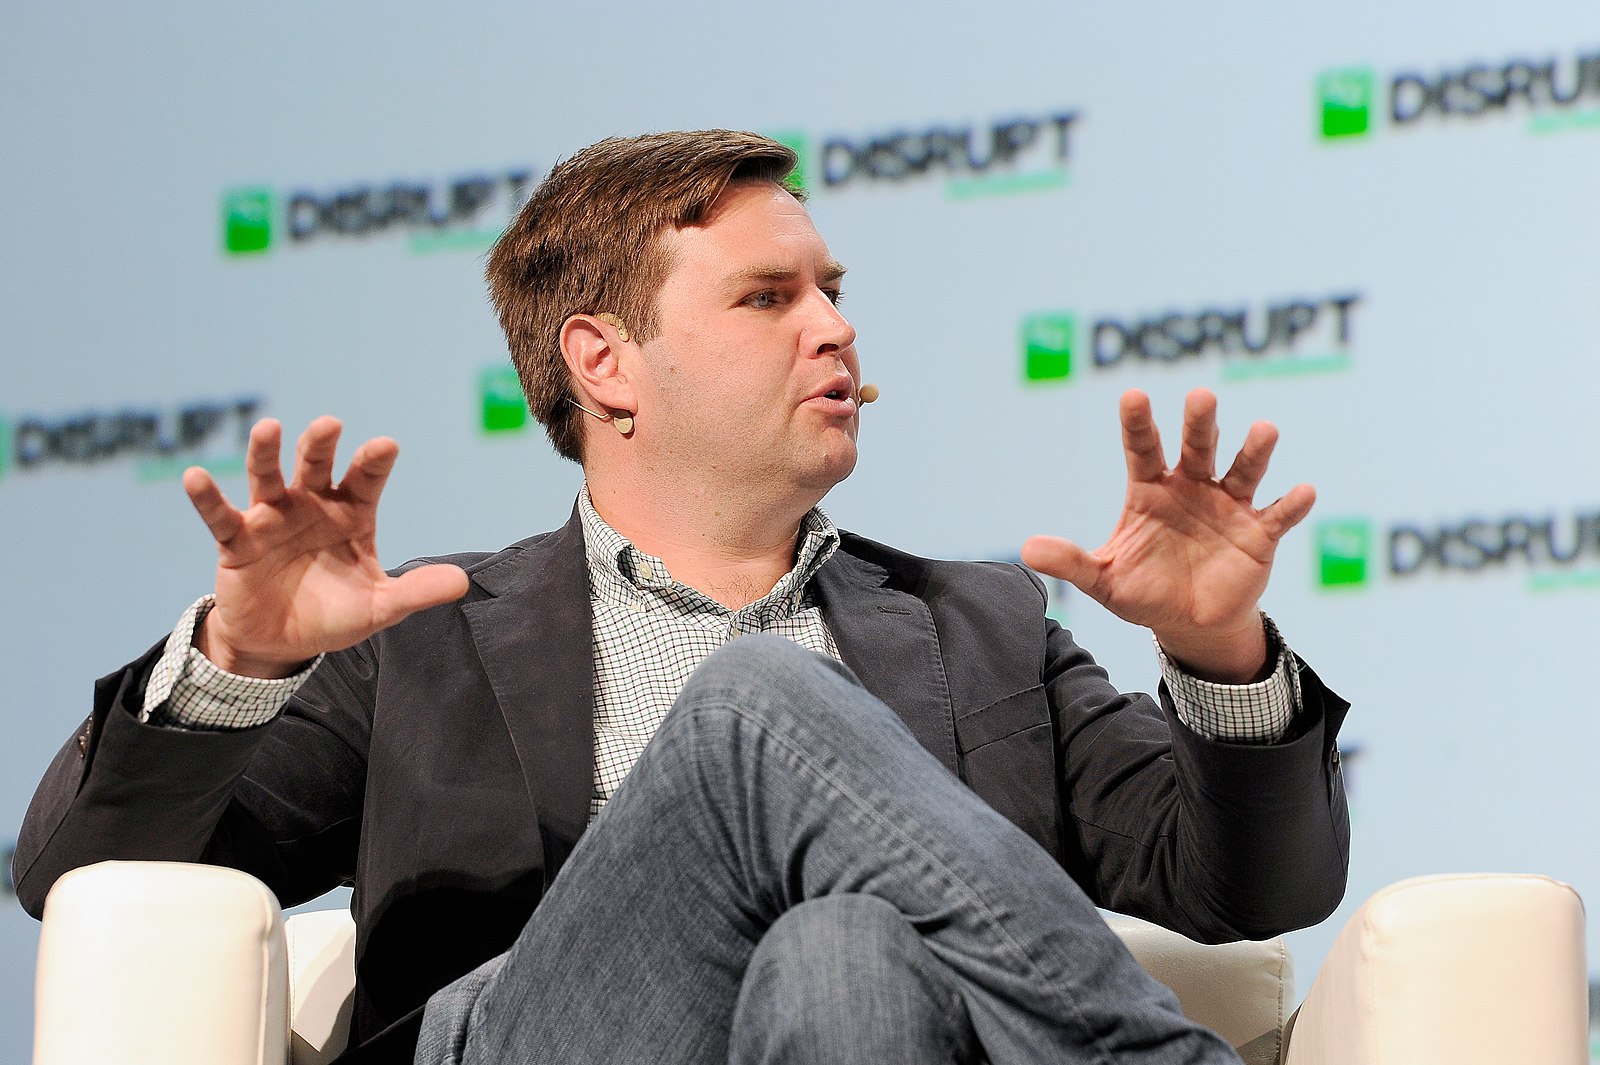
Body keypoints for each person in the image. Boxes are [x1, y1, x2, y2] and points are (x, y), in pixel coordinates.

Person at [15, 131, 1349, 1065]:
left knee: (844, 959)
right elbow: (77, 876)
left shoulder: (981, 630)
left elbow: (1247, 884)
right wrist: (242, 656)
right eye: (769, 297)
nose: (833, 327)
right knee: (761, 700)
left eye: (833, 291)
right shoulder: (424, 639)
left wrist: (1214, 647)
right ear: (605, 364)